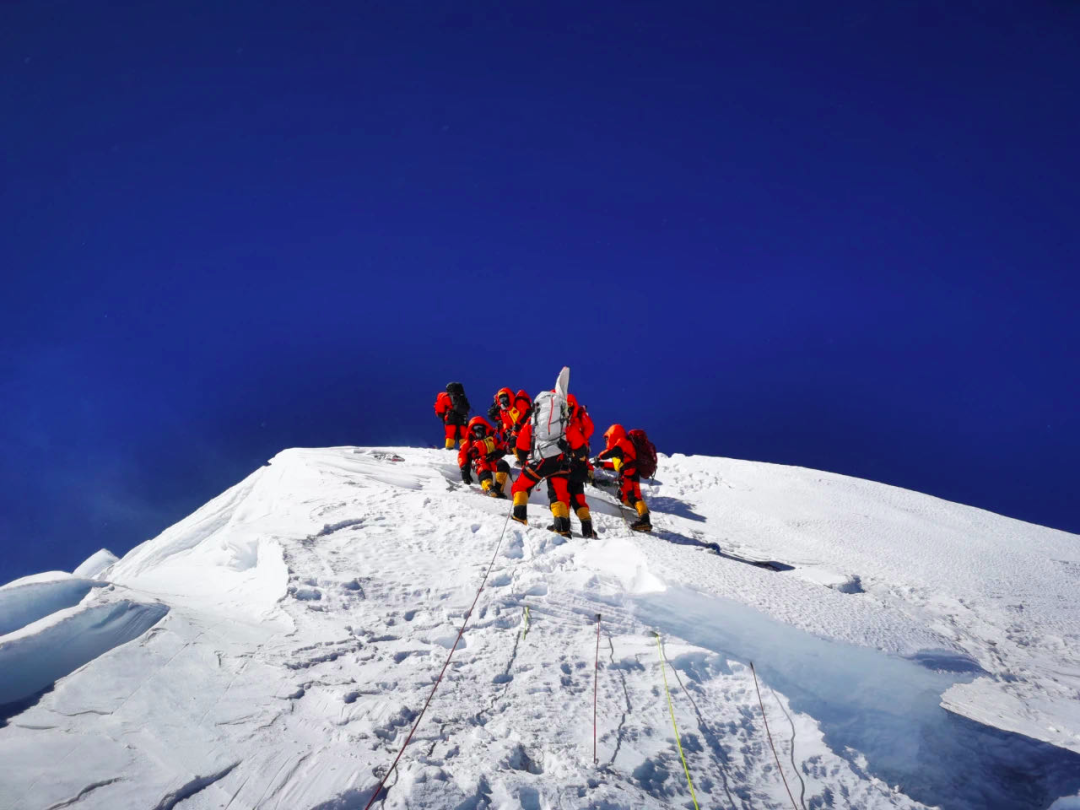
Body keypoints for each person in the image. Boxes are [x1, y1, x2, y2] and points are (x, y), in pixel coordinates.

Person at [510, 390, 573, 537]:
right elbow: (578, 444)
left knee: (521, 486)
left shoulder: (534, 419)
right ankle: (562, 528)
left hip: (540, 460)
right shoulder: (565, 421)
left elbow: (521, 444)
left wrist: (523, 459)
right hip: (560, 462)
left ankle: (519, 518)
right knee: (559, 493)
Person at [595, 424, 651, 532]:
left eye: (607, 438)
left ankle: (645, 520)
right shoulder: (624, 447)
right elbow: (618, 466)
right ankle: (642, 512)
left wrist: (600, 457)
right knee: (629, 498)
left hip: (630, 473)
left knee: (634, 497)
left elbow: (612, 452)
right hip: (629, 473)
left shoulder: (622, 441)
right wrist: (602, 464)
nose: (606, 441)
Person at [557, 394, 595, 538]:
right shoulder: (580, 425)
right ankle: (588, 530)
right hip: (581, 467)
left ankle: (563, 525)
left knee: (564, 496)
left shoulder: (569, 425)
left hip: (569, 465)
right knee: (579, 500)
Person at [459, 416, 511, 498]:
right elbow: (462, 454)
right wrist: (464, 468)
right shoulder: (470, 442)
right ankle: (489, 488)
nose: (478, 430)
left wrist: (500, 452)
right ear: (472, 431)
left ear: (485, 428)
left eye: (480, 427)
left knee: (503, 464)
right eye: (475, 428)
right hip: (480, 461)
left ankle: (498, 489)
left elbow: (502, 447)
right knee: (483, 469)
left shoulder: (492, 439)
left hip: (493, 459)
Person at [434, 382, 470, 449]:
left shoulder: (444, 397)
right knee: (463, 434)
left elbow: (440, 410)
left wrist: (443, 416)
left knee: (450, 433)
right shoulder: (462, 397)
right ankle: (465, 449)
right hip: (462, 418)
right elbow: (467, 408)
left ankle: (449, 448)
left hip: (450, 417)